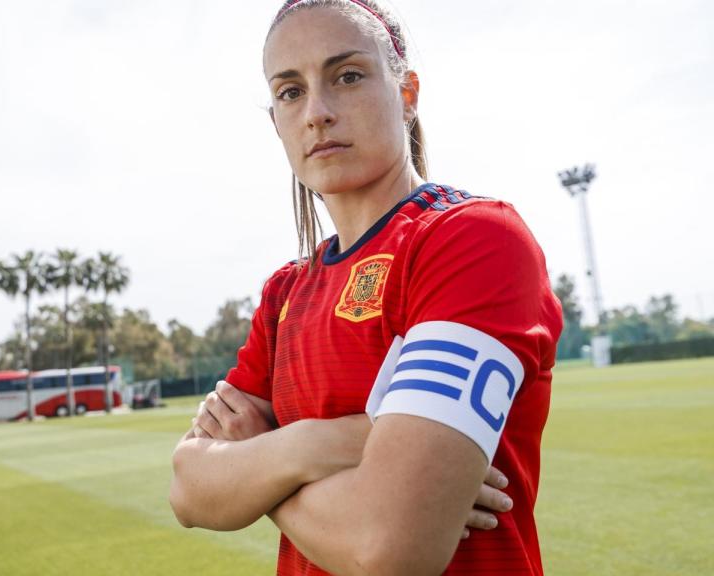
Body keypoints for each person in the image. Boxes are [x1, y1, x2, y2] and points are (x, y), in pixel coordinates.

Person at [169, 1, 563, 575]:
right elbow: (188, 489)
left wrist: (257, 466)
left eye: (347, 76)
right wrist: (328, 445)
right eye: (289, 91)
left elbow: (389, 547)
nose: (317, 113)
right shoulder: (284, 293)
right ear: (275, 119)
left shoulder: (471, 239)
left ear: (407, 95)